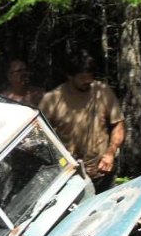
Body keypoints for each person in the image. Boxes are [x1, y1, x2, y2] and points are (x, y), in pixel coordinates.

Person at [39, 49, 125, 193]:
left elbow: (118, 124)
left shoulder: (102, 91)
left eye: (90, 77)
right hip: (71, 178)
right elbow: (40, 135)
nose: (87, 81)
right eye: (82, 77)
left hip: (103, 172)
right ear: (69, 76)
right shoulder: (52, 100)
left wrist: (111, 152)